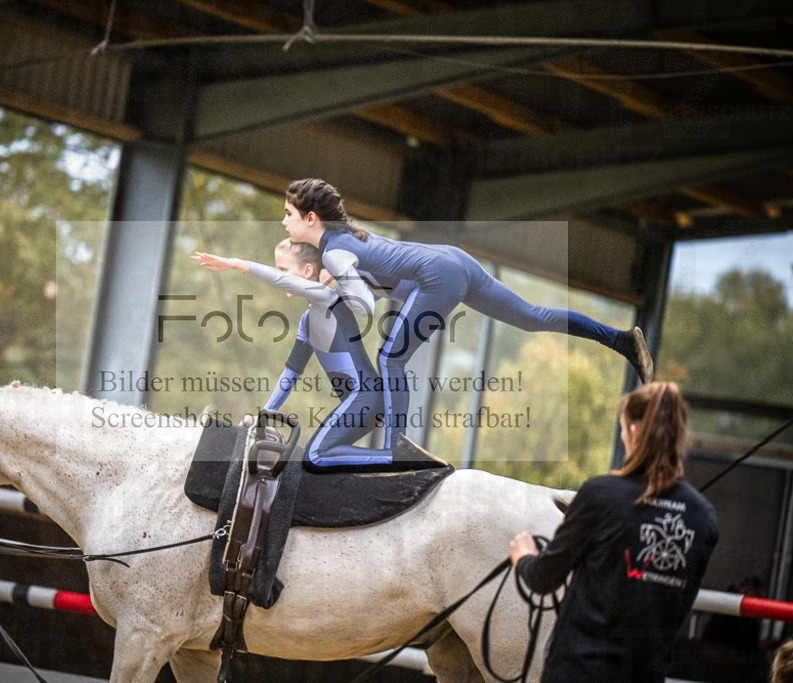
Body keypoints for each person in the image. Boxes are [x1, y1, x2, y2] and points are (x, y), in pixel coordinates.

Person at [282, 178, 654, 450]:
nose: (283, 222)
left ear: (311, 218)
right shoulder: (347, 238)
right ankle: (622, 341)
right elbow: (381, 281)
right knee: (533, 316)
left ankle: (395, 448)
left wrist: (335, 289)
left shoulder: (335, 252)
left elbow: (363, 300)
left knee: (388, 358)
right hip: (455, 259)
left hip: (438, 275)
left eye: (288, 214)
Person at [508, 382, 718, 682]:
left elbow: (542, 578)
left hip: (578, 672)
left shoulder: (600, 494)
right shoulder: (703, 516)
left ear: (632, 431)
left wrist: (525, 556)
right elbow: (677, 609)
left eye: (622, 428)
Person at [192, 239, 440, 468]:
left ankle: (398, 458)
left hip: (364, 397)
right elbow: (292, 371)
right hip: (359, 403)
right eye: (277, 268)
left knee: (315, 455)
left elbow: (279, 281)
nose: (280, 274)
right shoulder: (307, 319)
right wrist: (264, 415)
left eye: (283, 268)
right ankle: (385, 467)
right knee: (325, 458)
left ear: (308, 271)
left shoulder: (327, 297)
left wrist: (237, 264)